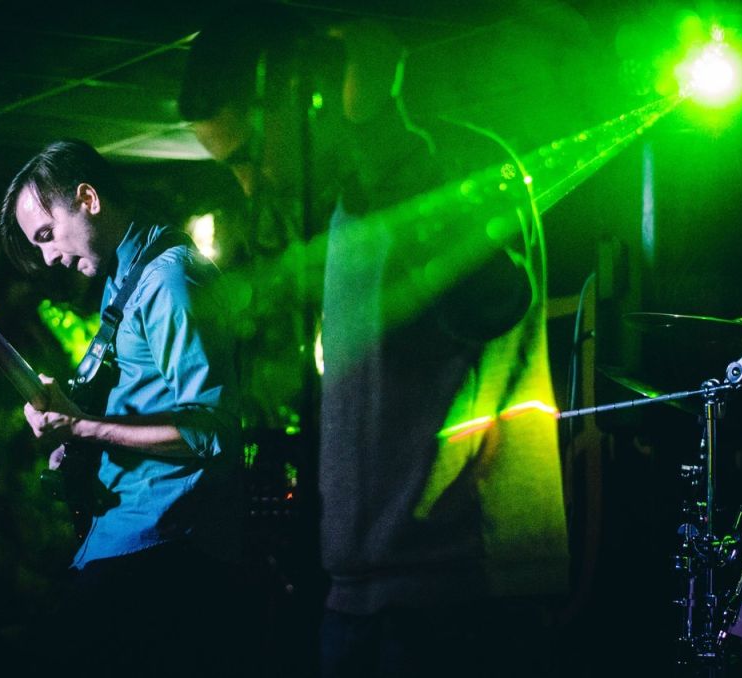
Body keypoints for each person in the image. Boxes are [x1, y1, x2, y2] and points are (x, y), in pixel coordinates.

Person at [180, 4, 569, 676]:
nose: (247, 182)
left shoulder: (451, 164)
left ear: (305, 94)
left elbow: (495, 303)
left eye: (246, 155)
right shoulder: (346, 203)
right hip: (371, 594)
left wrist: (385, 135)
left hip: (457, 596)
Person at [0, 139, 243, 676]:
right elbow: (139, 405)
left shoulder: (170, 280)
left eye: (46, 234)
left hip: (161, 550)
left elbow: (212, 432)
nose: (49, 257)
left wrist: (83, 426)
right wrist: (74, 432)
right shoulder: (125, 280)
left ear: (88, 199)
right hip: (130, 541)